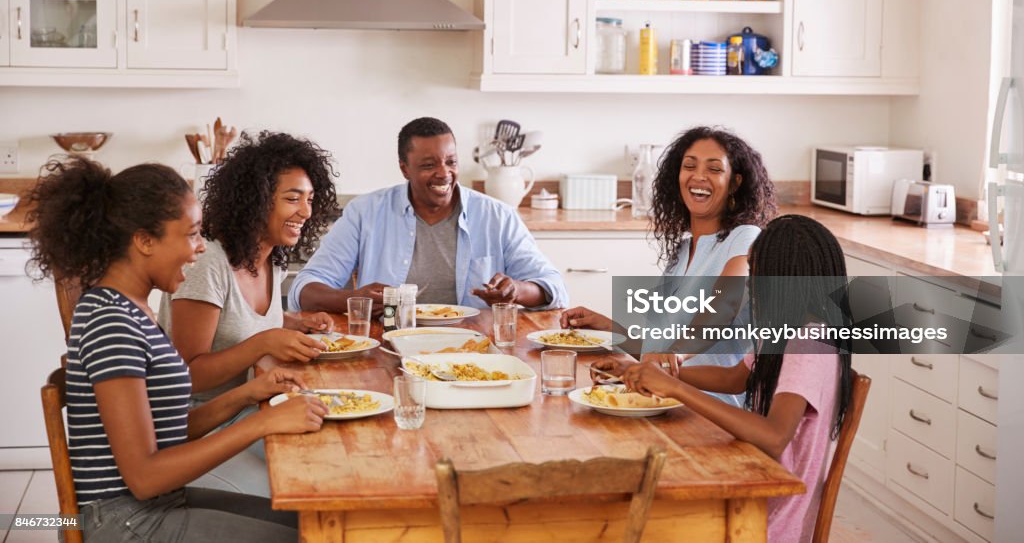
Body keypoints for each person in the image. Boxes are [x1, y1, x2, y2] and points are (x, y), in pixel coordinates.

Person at [27, 158, 327, 542]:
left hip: (155, 507)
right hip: (123, 522)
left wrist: (249, 394)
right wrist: (262, 422)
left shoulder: (133, 309)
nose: (199, 249)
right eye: (190, 235)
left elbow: (167, 431)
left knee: (313, 523)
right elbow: (145, 476)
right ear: (144, 240)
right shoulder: (111, 322)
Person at [593, 215, 854, 543]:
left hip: (766, 519)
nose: (750, 285)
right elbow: (734, 379)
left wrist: (675, 387)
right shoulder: (783, 330)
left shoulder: (808, 344)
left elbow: (774, 437)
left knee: (638, 519)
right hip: (752, 485)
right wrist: (657, 372)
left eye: (757, 275)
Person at [561, 126, 777, 402]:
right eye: (689, 166)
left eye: (714, 169)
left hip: (711, 415)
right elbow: (657, 352)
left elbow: (723, 307)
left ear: (735, 183)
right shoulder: (683, 252)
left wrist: (674, 354)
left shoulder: (745, 238)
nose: (698, 176)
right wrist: (609, 328)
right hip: (664, 402)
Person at [289, 117, 568, 313]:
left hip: (476, 349)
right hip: (389, 345)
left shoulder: (497, 216)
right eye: (428, 165)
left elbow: (554, 288)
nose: (444, 173)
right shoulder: (365, 212)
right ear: (404, 168)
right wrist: (352, 299)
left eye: (451, 162)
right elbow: (303, 290)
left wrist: (517, 290)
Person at [159, 131, 340, 405]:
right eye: (293, 199)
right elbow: (188, 376)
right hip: (200, 419)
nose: (306, 212)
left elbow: (237, 321)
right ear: (256, 201)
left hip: (252, 403)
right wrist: (265, 343)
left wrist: (297, 323)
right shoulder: (207, 262)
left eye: (310, 199)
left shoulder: (270, 255)